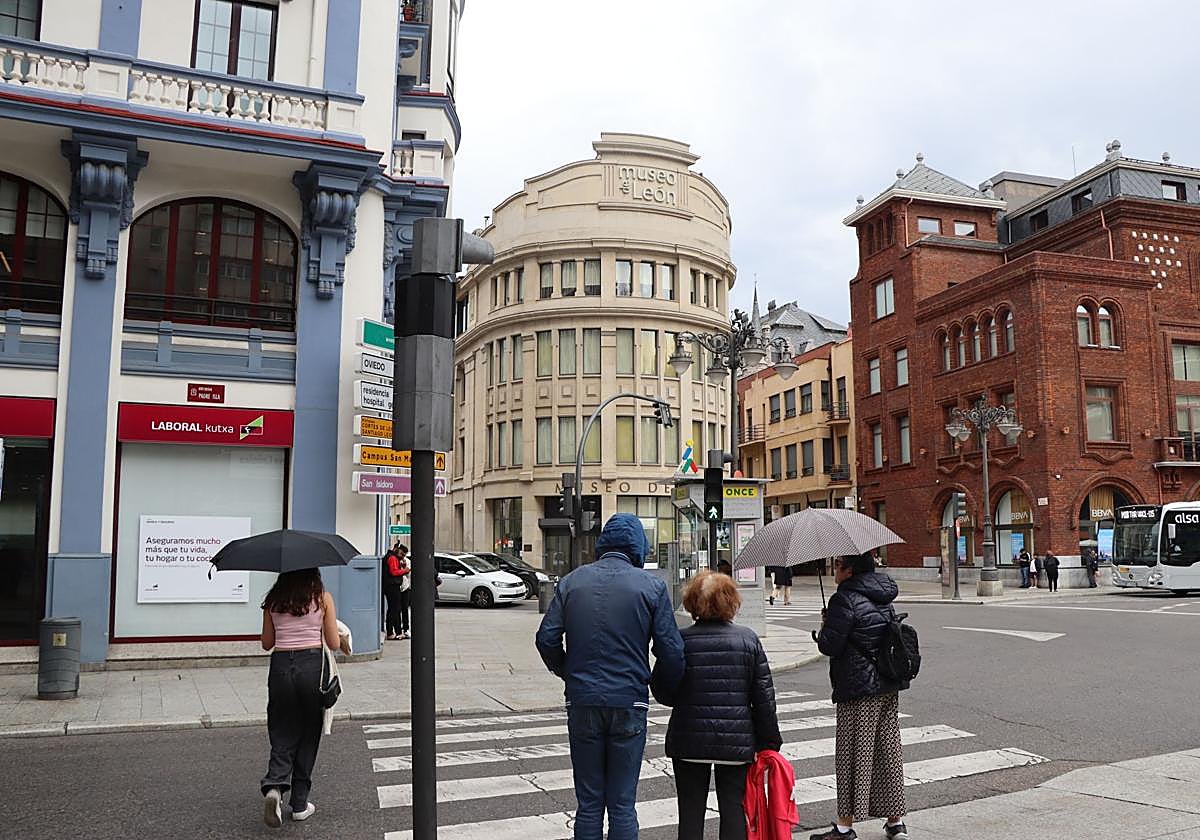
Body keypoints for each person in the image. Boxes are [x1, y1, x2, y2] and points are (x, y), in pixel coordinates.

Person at [535, 513, 685, 840]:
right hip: (630, 700)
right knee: (622, 803)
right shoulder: (652, 587)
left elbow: (546, 638)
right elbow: (672, 651)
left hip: (582, 699)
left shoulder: (572, 581)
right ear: (638, 548)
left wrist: (568, 672)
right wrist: (660, 689)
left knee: (588, 802)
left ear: (602, 544)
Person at [654, 570, 782, 840]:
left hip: (688, 738)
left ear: (691, 602)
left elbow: (664, 694)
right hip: (735, 741)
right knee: (734, 808)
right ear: (731, 602)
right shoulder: (747, 640)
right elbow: (763, 697)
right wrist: (770, 742)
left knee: (689, 811)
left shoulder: (680, 640)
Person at [811, 553, 909, 840]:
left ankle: (844, 826)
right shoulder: (883, 594)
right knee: (888, 751)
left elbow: (830, 646)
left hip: (858, 687)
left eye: (838, 565)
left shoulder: (844, 599)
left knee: (853, 753)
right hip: (887, 684)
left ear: (849, 570)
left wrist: (827, 626)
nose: (834, 570)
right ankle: (895, 822)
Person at [259, 569, 341, 828]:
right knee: (308, 732)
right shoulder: (322, 597)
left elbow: (267, 643)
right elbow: (333, 642)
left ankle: (274, 786)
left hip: (281, 665)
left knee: (282, 729)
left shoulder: (273, 601)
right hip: (311, 665)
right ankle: (299, 803)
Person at [382, 542, 410, 640]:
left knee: (393, 609)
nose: (402, 557)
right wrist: (405, 570)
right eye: (402, 554)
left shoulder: (392, 557)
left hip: (390, 586)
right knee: (394, 609)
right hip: (392, 586)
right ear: (396, 550)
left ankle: (394, 632)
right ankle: (394, 632)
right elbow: (394, 572)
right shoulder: (392, 558)